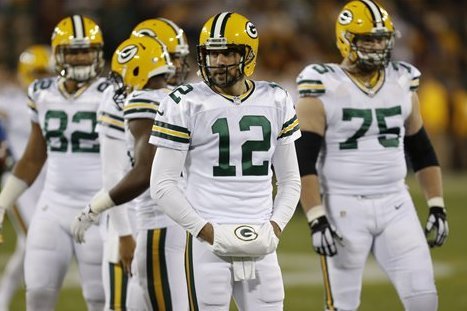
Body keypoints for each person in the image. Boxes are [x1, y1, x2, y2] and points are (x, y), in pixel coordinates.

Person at [294, 1, 448, 310]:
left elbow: (422, 149)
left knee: (424, 300)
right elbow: (302, 160)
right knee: (341, 305)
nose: (377, 46)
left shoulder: (403, 81)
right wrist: (315, 216)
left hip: (396, 203)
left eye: (381, 38)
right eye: (368, 39)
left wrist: (436, 204)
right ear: (346, 39)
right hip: (343, 206)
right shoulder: (322, 83)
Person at [150, 12, 301, 310]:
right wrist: (206, 231)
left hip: (261, 241)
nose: (218, 61)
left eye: (227, 52)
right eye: (212, 52)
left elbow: (290, 180)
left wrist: (274, 227)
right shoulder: (185, 102)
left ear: (248, 53)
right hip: (207, 242)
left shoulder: (277, 99)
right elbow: (162, 184)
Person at [71, 35, 190, 310]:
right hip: (182, 219)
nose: (119, 82)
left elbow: (146, 171)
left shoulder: (142, 100)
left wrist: (94, 207)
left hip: (159, 222)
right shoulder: (179, 98)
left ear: (135, 69)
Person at [0, 15, 109, 310]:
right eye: (72, 50)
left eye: (85, 49)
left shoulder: (113, 95)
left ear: (98, 51)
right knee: (37, 292)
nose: (80, 57)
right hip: (53, 205)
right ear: (59, 53)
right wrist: (2, 203)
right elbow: (34, 157)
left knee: (99, 298)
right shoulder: (42, 93)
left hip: (97, 208)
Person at [0, 45, 53, 311]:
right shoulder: (9, 101)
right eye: (36, 73)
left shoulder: (59, 101)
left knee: (28, 244)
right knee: (33, 239)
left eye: (46, 72)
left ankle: (3, 298)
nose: (42, 79)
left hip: (49, 181)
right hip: (20, 182)